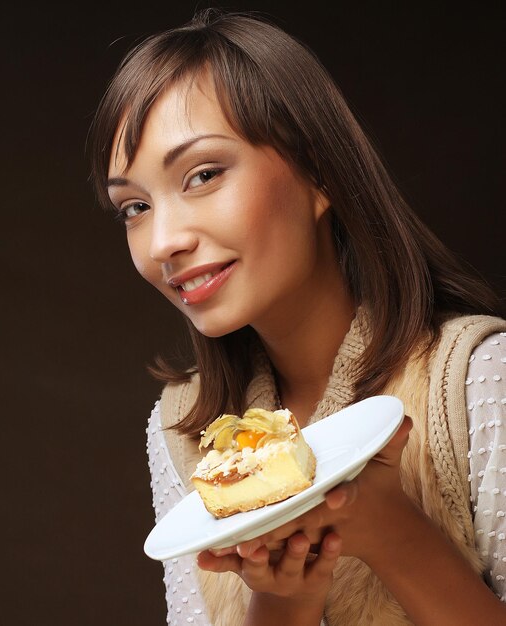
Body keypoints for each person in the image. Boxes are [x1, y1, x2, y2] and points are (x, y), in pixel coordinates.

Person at [90, 9, 506, 626]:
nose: (162, 242)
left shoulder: (475, 377)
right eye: (135, 207)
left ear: (317, 171)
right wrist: (283, 597)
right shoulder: (181, 429)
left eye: (203, 174)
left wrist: (392, 532)